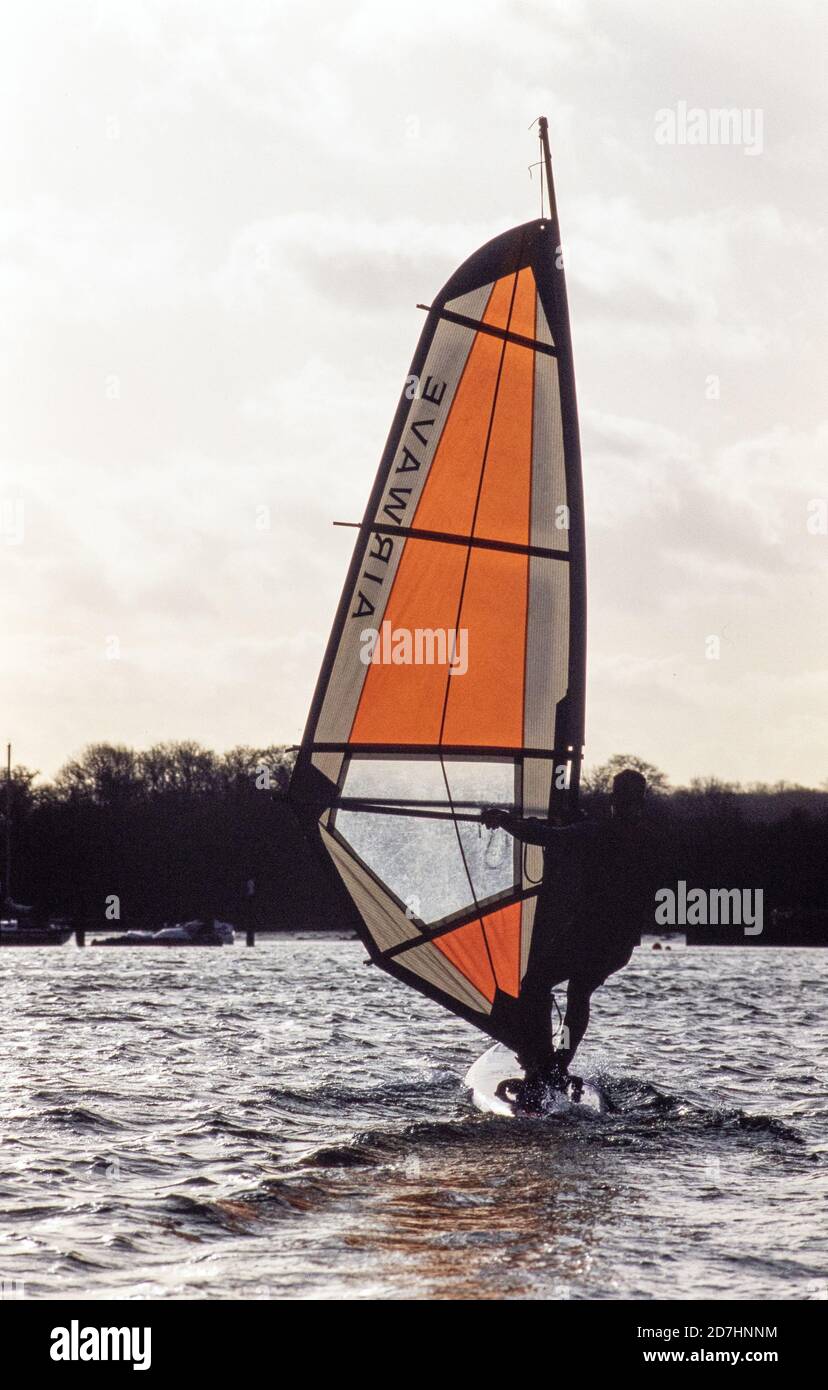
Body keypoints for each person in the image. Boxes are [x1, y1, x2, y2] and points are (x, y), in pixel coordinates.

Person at [482, 768, 650, 1109]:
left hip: (591, 937)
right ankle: (558, 1062)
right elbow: (568, 835)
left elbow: (547, 837)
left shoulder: (601, 831)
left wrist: (504, 820)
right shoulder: (644, 835)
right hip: (618, 945)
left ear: (614, 798)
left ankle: (541, 1063)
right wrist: (568, 825)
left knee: (536, 983)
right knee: (579, 991)